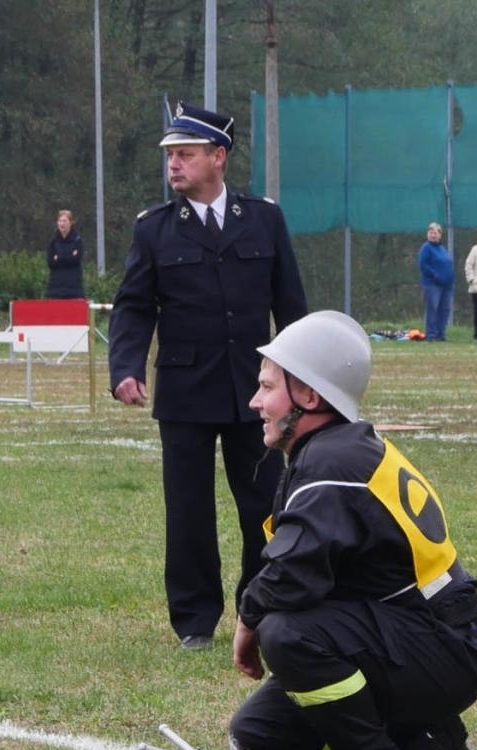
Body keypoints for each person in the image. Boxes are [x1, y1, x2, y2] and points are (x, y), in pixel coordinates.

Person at [230, 311, 477, 750]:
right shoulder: (334, 451)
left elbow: (289, 576)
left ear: (308, 395)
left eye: (267, 387)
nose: (255, 402)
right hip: (424, 642)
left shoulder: (332, 462)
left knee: (284, 633)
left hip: (441, 650)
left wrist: (246, 625)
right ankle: (421, 746)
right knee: (259, 736)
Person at [108, 102, 308, 650]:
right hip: (184, 392)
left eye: (185, 154)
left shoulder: (264, 218)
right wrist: (124, 367)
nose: (174, 164)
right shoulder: (154, 230)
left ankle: (260, 607)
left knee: (265, 505)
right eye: (171, 155)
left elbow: (290, 304)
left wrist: (303, 379)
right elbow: (132, 307)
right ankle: (194, 621)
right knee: (189, 512)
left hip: (256, 391)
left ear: (218, 157)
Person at [417, 222, 453, 342]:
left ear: (440, 235)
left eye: (435, 232)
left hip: (447, 285)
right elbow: (423, 264)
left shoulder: (442, 248)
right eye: (431, 232)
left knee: (445, 310)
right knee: (433, 308)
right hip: (433, 284)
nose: (433, 235)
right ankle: (431, 335)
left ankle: (441, 334)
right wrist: (435, 275)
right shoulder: (426, 248)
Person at [46, 210, 85, 299]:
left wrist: (58, 258)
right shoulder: (53, 242)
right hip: (55, 289)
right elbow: (50, 262)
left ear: (71, 223)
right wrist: (69, 256)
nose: (62, 224)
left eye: (64, 221)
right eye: (60, 221)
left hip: (74, 289)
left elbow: (76, 260)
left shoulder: (77, 240)